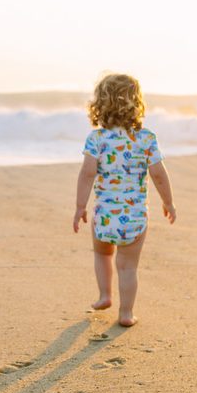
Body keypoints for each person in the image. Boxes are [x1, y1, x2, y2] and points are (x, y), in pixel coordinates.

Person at [73, 73, 176, 327]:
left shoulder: (97, 139)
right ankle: (126, 313)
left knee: (103, 255)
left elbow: (87, 173)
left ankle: (105, 295)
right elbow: (159, 174)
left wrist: (79, 206)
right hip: (134, 216)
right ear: (136, 102)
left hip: (104, 214)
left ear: (100, 104)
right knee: (128, 268)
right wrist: (168, 202)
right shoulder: (146, 139)